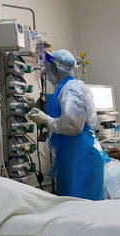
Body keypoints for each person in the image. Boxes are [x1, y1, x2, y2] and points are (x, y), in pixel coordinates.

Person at [26, 49, 109, 200]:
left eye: (49, 68)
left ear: (57, 69)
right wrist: (37, 105)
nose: (46, 71)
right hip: (74, 153)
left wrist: (47, 120)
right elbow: (61, 110)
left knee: (79, 204)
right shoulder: (67, 87)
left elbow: (73, 125)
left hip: (81, 156)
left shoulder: (71, 90)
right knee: (71, 203)